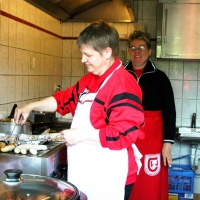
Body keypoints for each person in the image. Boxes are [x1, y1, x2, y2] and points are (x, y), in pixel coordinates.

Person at [14, 20, 145, 200]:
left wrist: (81, 135)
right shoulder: (89, 80)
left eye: (88, 55)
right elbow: (63, 100)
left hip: (111, 174)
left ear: (107, 52)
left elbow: (123, 134)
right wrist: (31, 106)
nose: (83, 60)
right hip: (86, 170)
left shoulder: (123, 85)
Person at [124, 31, 176, 200]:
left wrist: (167, 143)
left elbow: (170, 111)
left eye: (141, 47)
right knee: (126, 179)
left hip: (152, 139)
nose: (137, 52)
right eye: (132, 48)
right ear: (128, 51)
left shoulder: (160, 78)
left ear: (149, 51)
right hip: (126, 138)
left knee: (150, 182)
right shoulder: (120, 76)